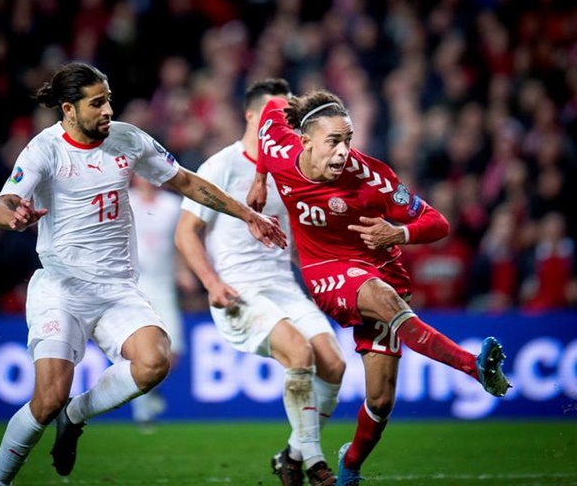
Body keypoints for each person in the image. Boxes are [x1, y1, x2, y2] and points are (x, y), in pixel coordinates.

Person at [0, 61, 286, 486]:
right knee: (46, 399)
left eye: (109, 100)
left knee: (154, 361)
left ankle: (76, 414)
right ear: (68, 109)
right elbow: (4, 204)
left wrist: (246, 213)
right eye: (97, 103)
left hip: (118, 290)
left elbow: (185, 182)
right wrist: (13, 215)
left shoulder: (127, 139)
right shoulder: (43, 150)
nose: (108, 110)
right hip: (61, 289)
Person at [246, 90, 512, 486]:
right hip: (326, 271)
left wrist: (398, 232)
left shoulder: (371, 176)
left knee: (381, 400)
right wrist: (260, 179)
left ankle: (349, 468)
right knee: (379, 295)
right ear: (306, 141)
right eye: (334, 141)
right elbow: (270, 108)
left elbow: (438, 223)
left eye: (348, 140)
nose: (343, 152)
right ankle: (472, 366)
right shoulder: (279, 147)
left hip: (381, 268)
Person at [175, 78, 346, 486]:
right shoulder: (222, 165)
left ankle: (290, 455)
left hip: (283, 286)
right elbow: (185, 232)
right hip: (240, 289)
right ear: (252, 115)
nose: (282, 120)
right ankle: (316, 462)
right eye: (274, 111)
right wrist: (212, 284)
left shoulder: (293, 165)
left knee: (335, 366)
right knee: (299, 354)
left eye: (289, 113)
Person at [127, 174, 193, 430]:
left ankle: (152, 392)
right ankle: (143, 411)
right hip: (134, 284)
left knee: (172, 352)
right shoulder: (127, 201)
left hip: (164, 284)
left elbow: (180, 242)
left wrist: (184, 270)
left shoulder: (172, 205)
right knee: (139, 349)